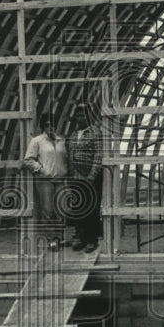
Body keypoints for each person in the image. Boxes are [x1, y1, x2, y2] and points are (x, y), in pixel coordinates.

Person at [23, 113, 68, 249]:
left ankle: (60, 238)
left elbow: (66, 158)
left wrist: (65, 170)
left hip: (59, 179)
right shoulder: (37, 141)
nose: (50, 127)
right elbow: (28, 159)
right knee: (47, 210)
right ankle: (51, 239)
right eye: (47, 124)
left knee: (61, 209)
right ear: (43, 126)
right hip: (45, 180)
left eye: (53, 124)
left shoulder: (61, 141)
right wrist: (41, 169)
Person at [66, 104, 103, 252]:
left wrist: (92, 176)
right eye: (78, 116)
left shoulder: (95, 132)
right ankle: (80, 237)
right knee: (78, 208)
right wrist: (70, 175)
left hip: (90, 178)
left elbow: (99, 155)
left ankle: (91, 240)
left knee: (92, 209)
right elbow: (70, 156)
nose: (80, 118)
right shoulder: (74, 134)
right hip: (76, 177)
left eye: (83, 115)